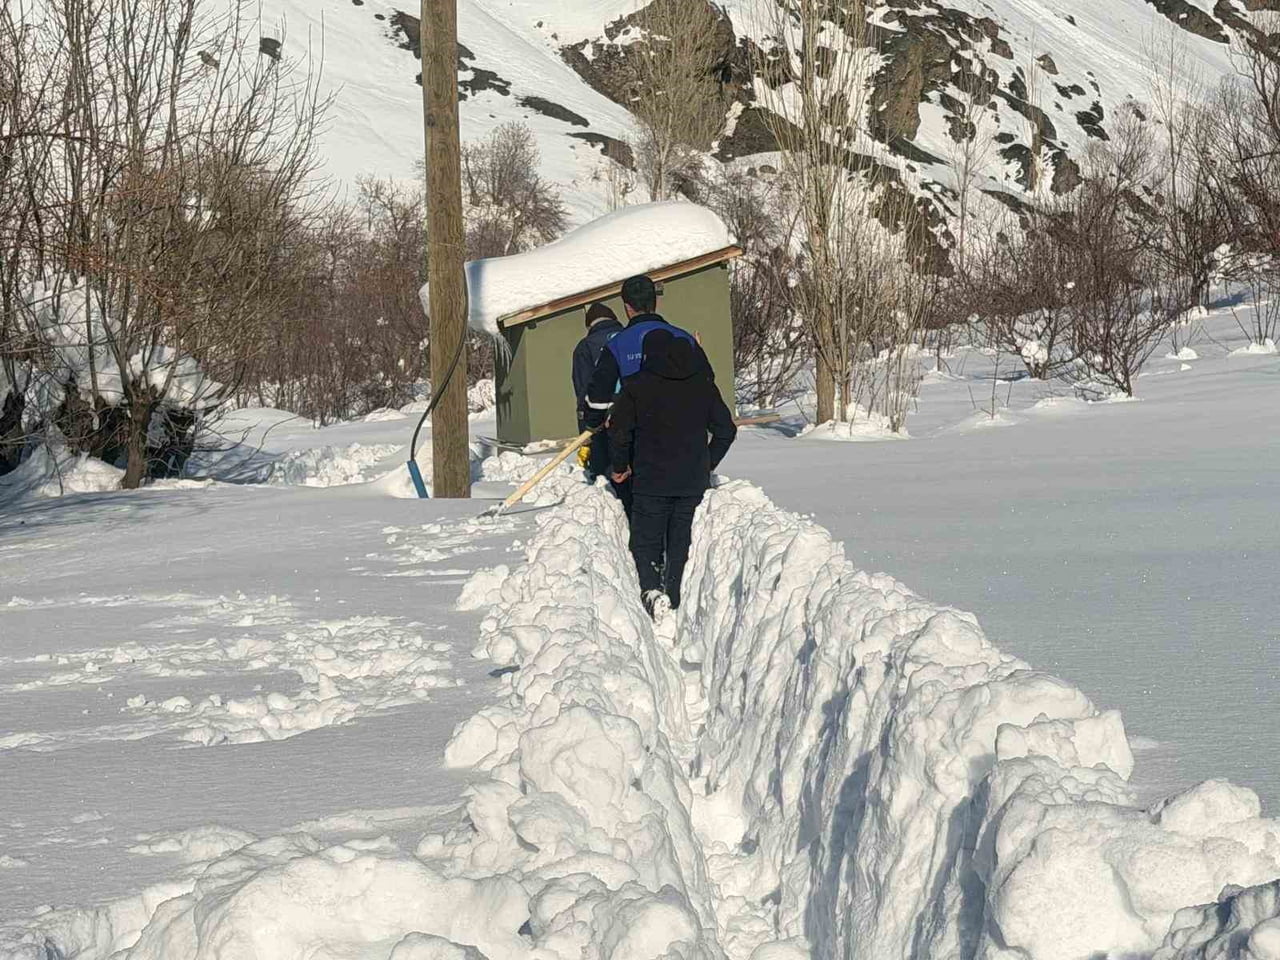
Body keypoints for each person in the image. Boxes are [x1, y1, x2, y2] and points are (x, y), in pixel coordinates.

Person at [608, 328, 736, 616]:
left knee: (646, 541)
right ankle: (675, 597)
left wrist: (620, 466)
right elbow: (726, 430)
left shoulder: (636, 386)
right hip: (691, 482)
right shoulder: (703, 385)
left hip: (650, 481)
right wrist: (706, 463)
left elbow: (619, 432)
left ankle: (652, 591)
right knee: (681, 542)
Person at [582, 274, 714, 432]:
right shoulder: (684, 339)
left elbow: (598, 397)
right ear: (656, 302)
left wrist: (593, 423)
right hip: (684, 435)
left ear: (627, 307)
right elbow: (707, 382)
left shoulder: (616, 345)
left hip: (638, 438)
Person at [571, 301, 624, 497]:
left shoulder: (585, 347)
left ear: (590, 325)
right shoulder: (631, 338)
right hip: (637, 416)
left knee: (606, 479)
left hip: (602, 420)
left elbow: (584, 390)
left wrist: (585, 436)